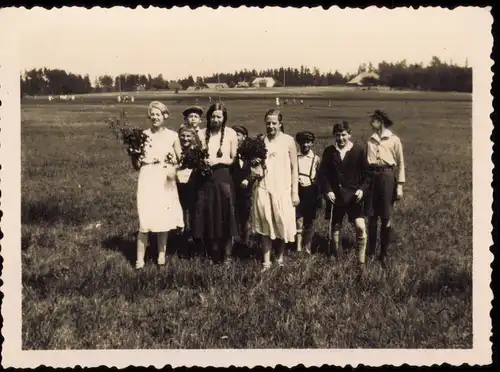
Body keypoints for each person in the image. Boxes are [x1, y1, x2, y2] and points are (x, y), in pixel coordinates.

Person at [131, 101, 184, 270]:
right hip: (147, 177)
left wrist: (173, 166)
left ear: (165, 116)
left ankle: (161, 255)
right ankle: (140, 260)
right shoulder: (141, 135)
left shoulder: (173, 136)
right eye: (152, 114)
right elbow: (136, 164)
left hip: (165, 178)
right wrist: (133, 155)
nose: (155, 117)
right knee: (145, 220)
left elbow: (182, 160)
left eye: (158, 114)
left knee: (163, 217)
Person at [251, 109, 299, 271]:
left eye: (274, 123)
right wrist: (255, 163)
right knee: (265, 222)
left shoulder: (288, 141)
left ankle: (279, 257)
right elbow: (254, 166)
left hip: (283, 188)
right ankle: (266, 261)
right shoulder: (261, 141)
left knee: (282, 222)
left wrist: (294, 192)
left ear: (280, 124)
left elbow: (295, 168)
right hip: (264, 187)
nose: (271, 126)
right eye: (268, 123)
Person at [318, 121, 371, 265]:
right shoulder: (329, 151)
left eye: (343, 135)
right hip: (336, 197)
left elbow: (367, 175)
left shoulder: (358, 151)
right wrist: (328, 191)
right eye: (337, 135)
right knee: (336, 227)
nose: (340, 138)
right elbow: (323, 175)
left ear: (349, 134)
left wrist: (361, 190)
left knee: (360, 226)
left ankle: (361, 259)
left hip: (354, 197)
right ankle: (336, 255)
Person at [192, 103, 239, 264]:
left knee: (226, 213)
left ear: (224, 118)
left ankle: (227, 255)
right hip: (205, 179)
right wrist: (202, 161)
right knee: (208, 213)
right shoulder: (201, 133)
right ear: (208, 117)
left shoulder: (231, 133)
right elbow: (195, 155)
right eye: (213, 116)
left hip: (223, 176)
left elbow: (233, 158)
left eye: (219, 116)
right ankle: (213, 252)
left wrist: (217, 160)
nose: (216, 119)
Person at [364, 110, 405, 268]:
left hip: (388, 178)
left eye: (373, 120)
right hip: (373, 178)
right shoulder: (371, 140)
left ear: (380, 121)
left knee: (386, 216)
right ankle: (371, 252)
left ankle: (384, 254)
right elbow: (368, 162)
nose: (370, 123)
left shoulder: (394, 140)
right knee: (372, 216)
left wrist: (399, 185)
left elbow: (400, 163)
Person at [295, 130, 321, 254]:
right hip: (298, 190)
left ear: (312, 143)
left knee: (309, 221)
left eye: (308, 142)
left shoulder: (316, 159)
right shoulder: (295, 157)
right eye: (302, 142)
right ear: (299, 143)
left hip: (311, 191)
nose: (305, 145)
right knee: (298, 219)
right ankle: (298, 247)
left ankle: (307, 247)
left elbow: (319, 176)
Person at [176, 125, 198, 246]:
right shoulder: (176, 150)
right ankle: (181, 238)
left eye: (188, 136)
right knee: (180, 211)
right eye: (183, 136)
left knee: (193, 212)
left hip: (192, 185)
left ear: (193, 137)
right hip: (178, 185)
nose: (185, 138)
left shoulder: (196, 150)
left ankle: (194, 237)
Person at [230, 125, 253, 247]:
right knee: (231, 214)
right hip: (231, 187)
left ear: (244, 137)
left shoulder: (250, 151)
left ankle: (245, 241)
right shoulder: (229, 150)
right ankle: (231, 241)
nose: (236, 137)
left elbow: (255, 169)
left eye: (238, 135)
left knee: (245, 215)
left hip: (246, 190)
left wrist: (248, 179)